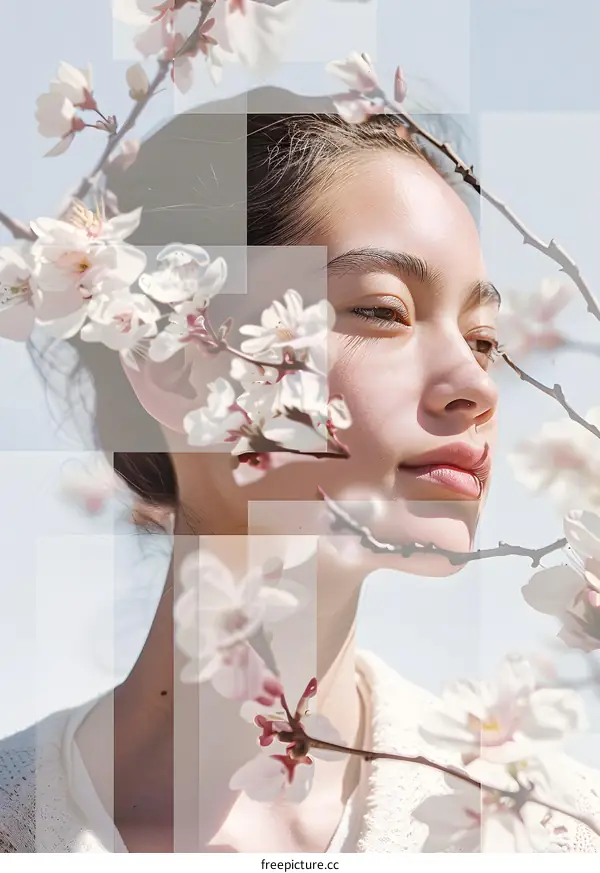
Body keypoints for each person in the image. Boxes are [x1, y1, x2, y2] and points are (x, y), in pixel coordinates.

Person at [1, 86, 599, 853]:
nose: (477, 386)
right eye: (383, 310)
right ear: (179, 364)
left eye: (484, 339)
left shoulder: (555, 832)